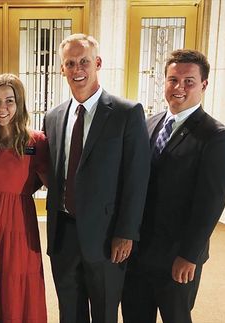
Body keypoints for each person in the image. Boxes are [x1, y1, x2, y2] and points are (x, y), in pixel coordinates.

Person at [121, 49, 225, 323]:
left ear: (203, 85)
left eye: (188, 81)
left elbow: (211, 203)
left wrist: (189, 254)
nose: (179, 88)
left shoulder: (217, 136)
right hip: (138, 251)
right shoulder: (148, 124)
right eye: (173, 80)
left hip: (177, 256)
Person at [43, 33, 151, 323]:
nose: (77, 69)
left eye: (84, 62)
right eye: (70, 63)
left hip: (106, 237)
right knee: (69, 311)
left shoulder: (126, 113)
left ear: (97, 63)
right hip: (63, 233)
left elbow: (137, 179)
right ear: (62, 69)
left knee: (104, 312)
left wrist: (126, 233)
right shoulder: (53, 117)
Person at [0, 73, 48, 323]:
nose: (2, 108)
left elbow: (53, 184)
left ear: (20, 103)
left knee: (17, 286)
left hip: (19, 226)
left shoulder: (35, 141)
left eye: (9, 101)